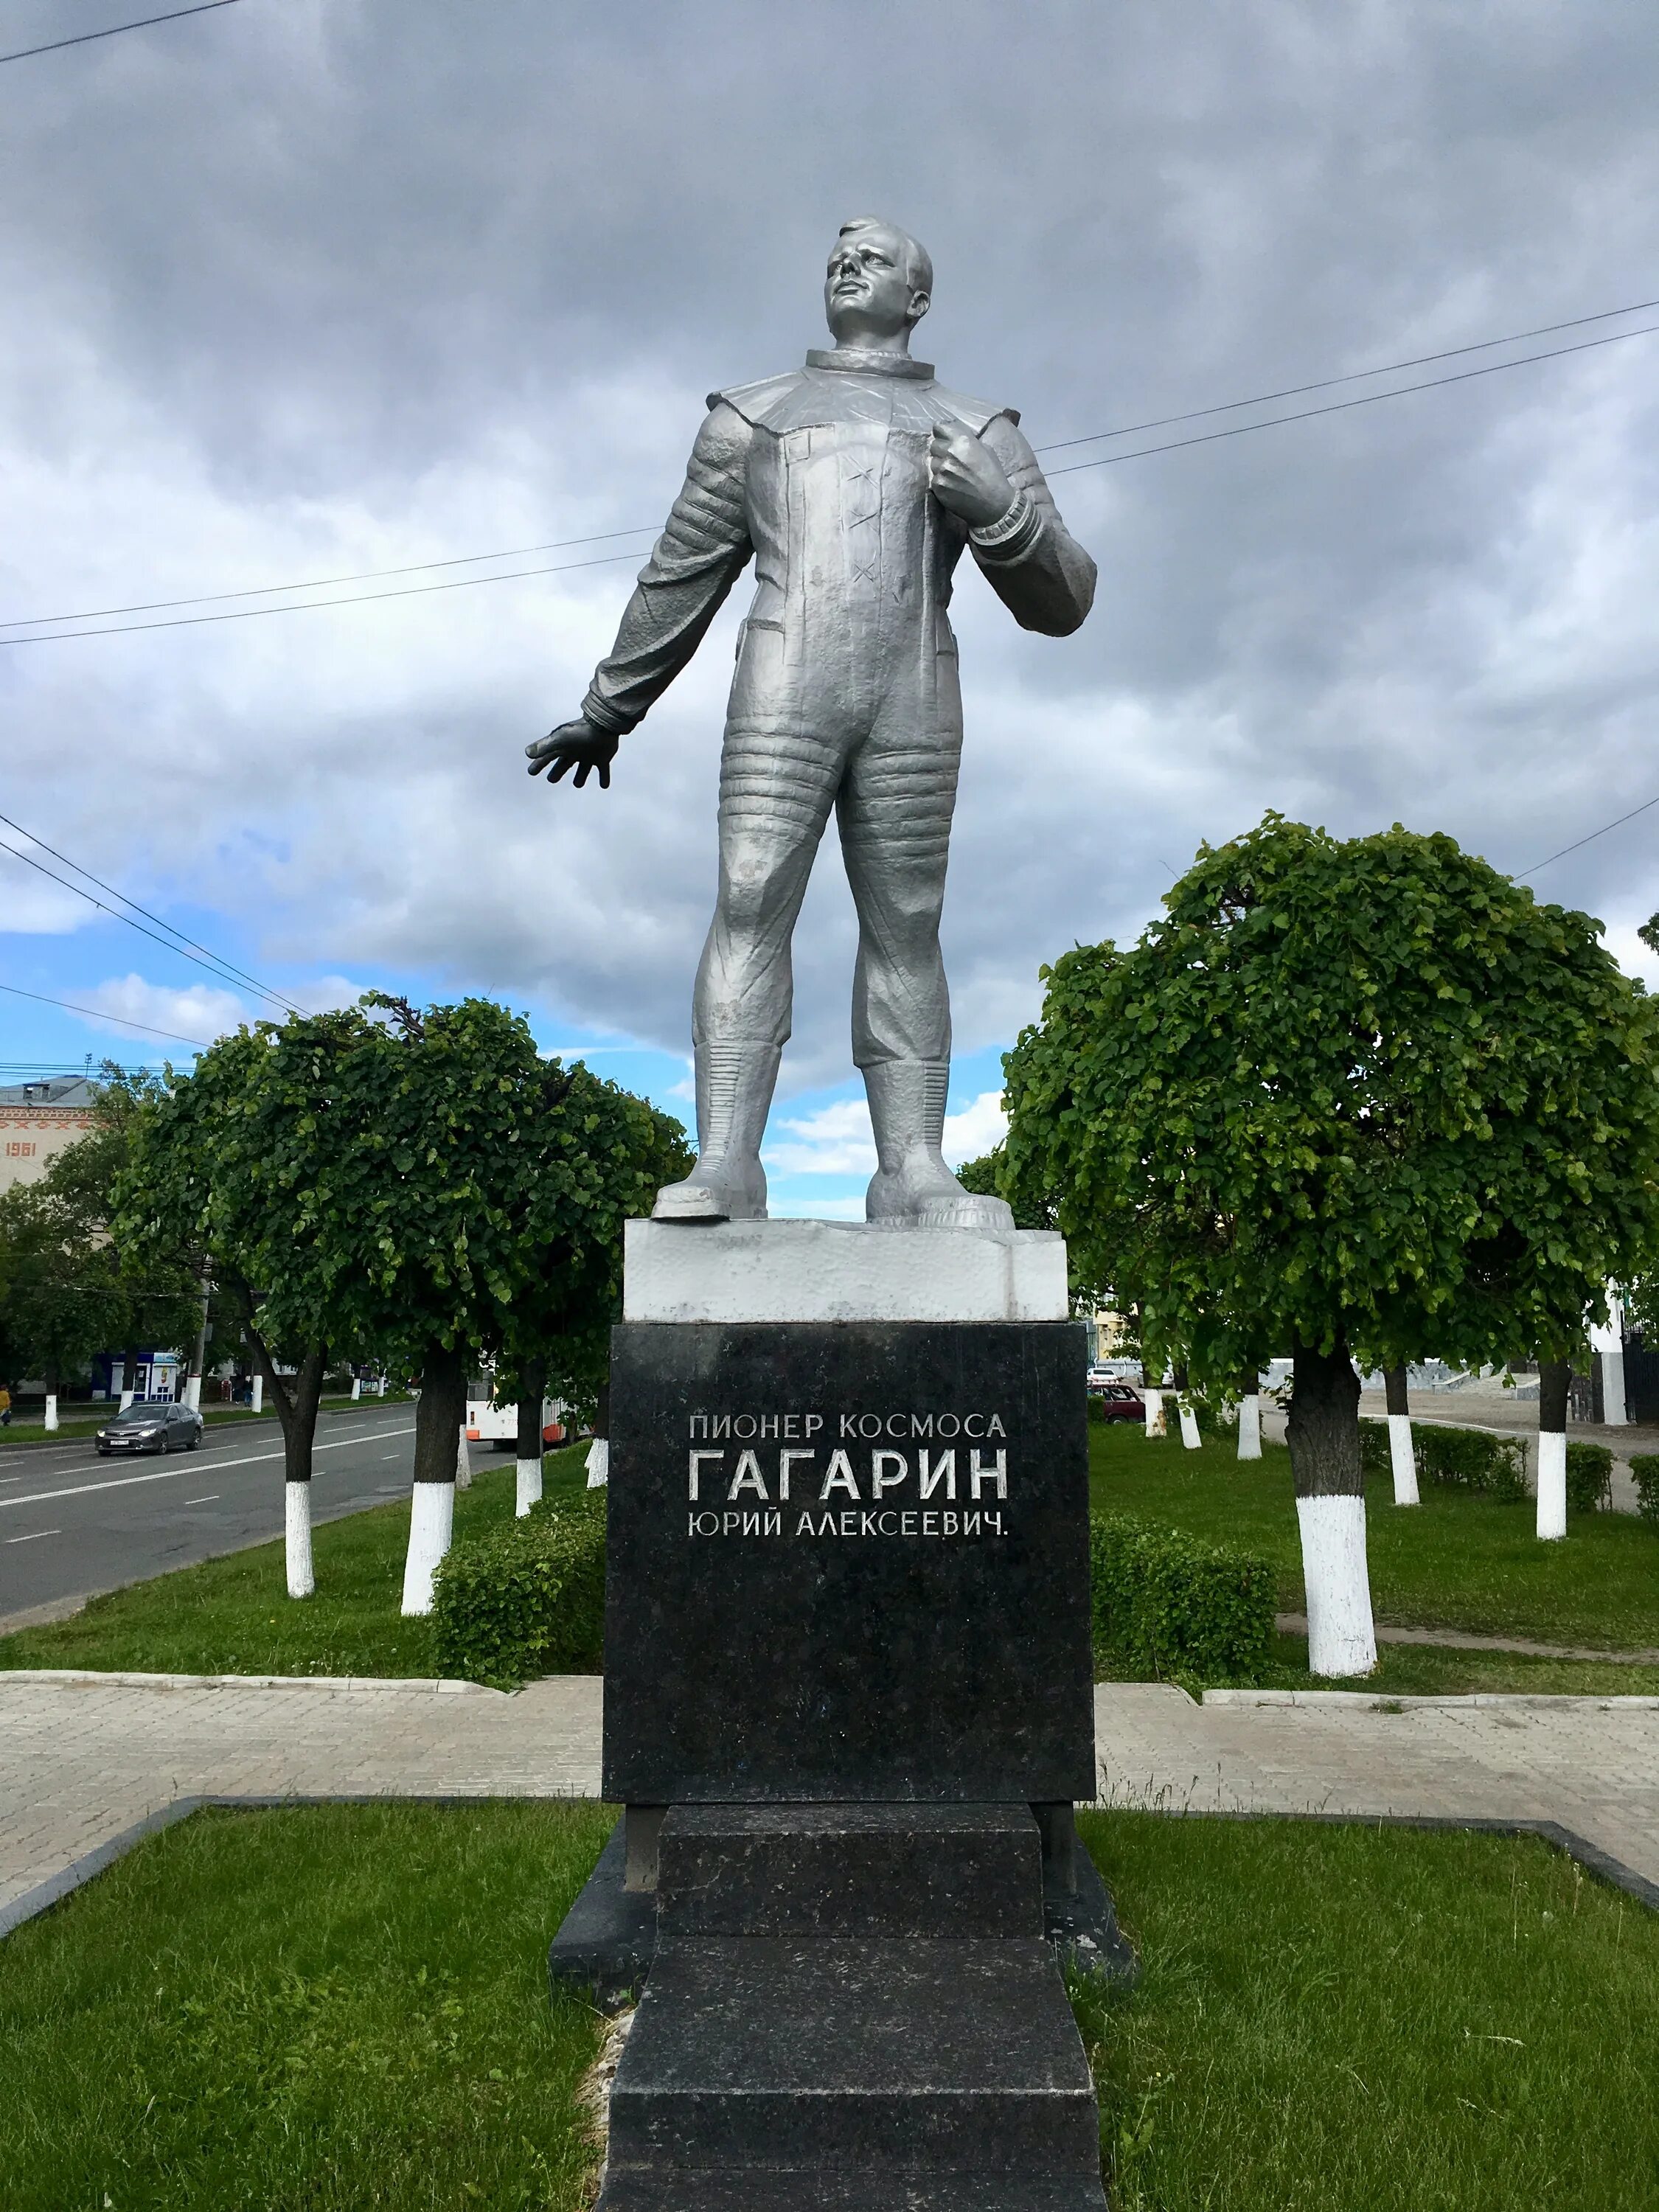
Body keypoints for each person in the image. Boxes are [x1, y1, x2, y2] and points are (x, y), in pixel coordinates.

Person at [528, 216, 1095, 1227]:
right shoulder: (754, 415)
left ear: (916, 298)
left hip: (911, 689)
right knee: (750, 897)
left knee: (907, 921)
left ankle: (913, 1167)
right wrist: (609, 706)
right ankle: (725, 1162)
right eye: (838, 253)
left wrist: (999, 511)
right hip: (783, 683)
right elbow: (680, 573)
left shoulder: (977, 429)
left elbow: (1064, 599)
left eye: (874, 257)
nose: (846, 263)